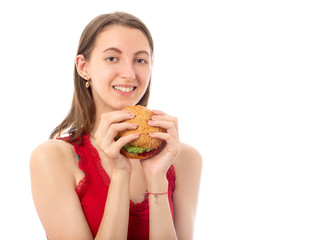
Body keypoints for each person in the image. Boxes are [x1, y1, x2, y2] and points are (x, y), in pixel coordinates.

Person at [30, 12, 202, 240]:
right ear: (84, 67)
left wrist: (157, 181)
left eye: (140, 60)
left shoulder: (183, 159)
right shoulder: (52, 158)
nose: (129, 73)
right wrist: (121, 174)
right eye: (112, 58)